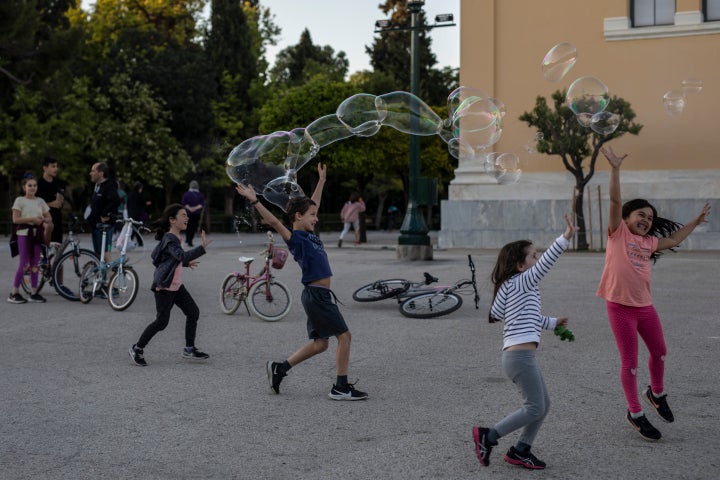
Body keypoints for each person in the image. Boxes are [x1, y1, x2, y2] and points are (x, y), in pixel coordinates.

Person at [596, 145, 711, 441]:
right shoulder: (617, 233)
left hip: (645, 307)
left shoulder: (648, 244)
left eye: (650, 218)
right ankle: (634, 412)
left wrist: (696, 222)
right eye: (640, 215)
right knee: (630, 364)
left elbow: (672, 239)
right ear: (626, 217)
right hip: (620, 308)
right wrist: (615, 169)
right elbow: (613, 199)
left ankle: (656, 393)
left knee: (660, 352)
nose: (646, 220)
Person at [235, 164, 368, 401]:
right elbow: (276, 222)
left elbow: (312, 204)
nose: (316, 218)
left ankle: (280, 368)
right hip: (317, 295)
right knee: (345, 337)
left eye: (316, 215)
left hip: (317, 295)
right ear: (298, 217)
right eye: (312, 216)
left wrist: (322, 181)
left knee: (320, 344)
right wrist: (255, 201)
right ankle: (340, 387)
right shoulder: (296, 238)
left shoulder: (311, 235)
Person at [473, 213, 577, 470]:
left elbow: (502, 314)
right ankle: (489, 435)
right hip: (520, 357)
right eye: (533, 256)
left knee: (543, 404)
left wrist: (552, 323)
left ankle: (521, 450)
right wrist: (564, 238)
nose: (538, 259)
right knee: (534, 407)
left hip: (517, 357)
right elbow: (547, 264)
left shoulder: (511, 286)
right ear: (520, 265)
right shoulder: (524, 281)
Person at [129, 204, 212, 367]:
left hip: (175, 286)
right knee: (161, 322)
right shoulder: (170, 238)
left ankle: (189, 349)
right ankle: (137, 348)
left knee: (193, 312)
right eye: (183, 215)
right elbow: (180, 255)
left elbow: (167, 258)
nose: (187, 218)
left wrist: (185, 264)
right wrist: (201, 248)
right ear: (172, 220)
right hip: (165, 288)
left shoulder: (173, 238)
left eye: (187, 215)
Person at [9, 174, 52, 304]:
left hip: (37, 235)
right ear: (24, 187)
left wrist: (42, 220)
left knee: (35, 264)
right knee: (24, 263)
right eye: (29, 185)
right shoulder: (19, 201)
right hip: (23, 234)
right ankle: (14, 292)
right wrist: (32, 219)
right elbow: (15, 219)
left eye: (34, 185)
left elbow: (49, 217)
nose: (32, 188)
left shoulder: (40, 201)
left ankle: (34, 292)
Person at [87, 162, 120, 259]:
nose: (90, 173)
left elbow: (115, 201)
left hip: (105, 226)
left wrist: (105, 213)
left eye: (93, 171)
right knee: (97, 254)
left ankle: (111, 273)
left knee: (105, 253)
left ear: (101, 173)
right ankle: (101, 274)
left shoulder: (109, 186)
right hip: (95, 224)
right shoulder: (98, 186)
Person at [36, 157, 65, 248]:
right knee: (44, 251)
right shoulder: (38, 184)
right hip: (43, 222)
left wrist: (59, 201)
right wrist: (51, 204)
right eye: (53, 166)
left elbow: (60, 201)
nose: (56, 169)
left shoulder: (59, 182)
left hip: (57, 221)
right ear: (45, 168)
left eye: (56, 166)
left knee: (57, 251)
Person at [181, 180, 205, 247]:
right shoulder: (200, 194)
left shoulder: (186, 194)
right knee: (193, 227)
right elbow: (201, 204)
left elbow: (184, 203)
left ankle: (187, 239)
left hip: (187, 213)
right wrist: (195, 208)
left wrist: (190, 208)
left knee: (187, 226)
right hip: (196, 213)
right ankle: (190, 241)